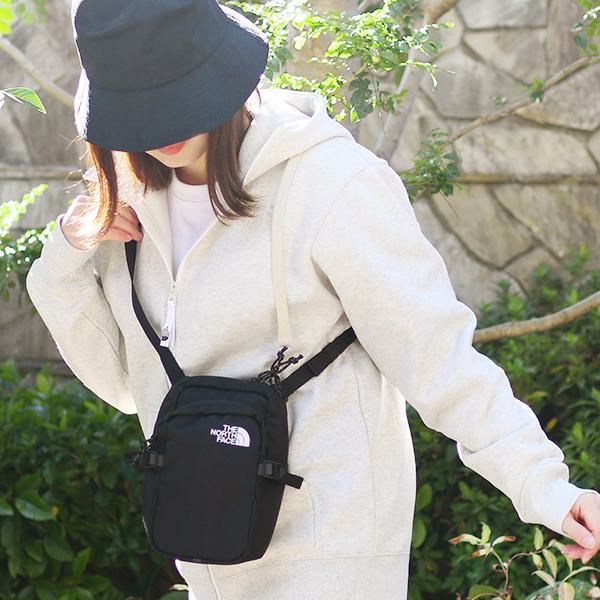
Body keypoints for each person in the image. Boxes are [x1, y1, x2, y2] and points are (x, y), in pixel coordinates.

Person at [26, 0, 600, 598]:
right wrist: (68, 251)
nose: (163, 128)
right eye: (142, 108)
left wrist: (547, 488)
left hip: (331, 555)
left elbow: (435, 356)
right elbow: (126, 385)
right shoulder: (130, 209)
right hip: (211, 550)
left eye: (175, 98)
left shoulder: (329, 181)